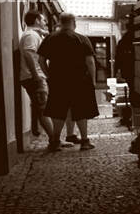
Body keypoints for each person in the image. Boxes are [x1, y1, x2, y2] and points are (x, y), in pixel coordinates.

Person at [39, 13, 99, 151]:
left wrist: (49, 75)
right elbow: (90, 61)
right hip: (80, 80)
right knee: (81, 110)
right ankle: (84, 141)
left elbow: (41, 60)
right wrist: (93, 80)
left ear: (60, 22)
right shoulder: (82, 39)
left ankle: (54, 142)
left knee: (58, 110)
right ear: (73, 22)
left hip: (58, 80)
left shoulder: (50, 38)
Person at [18, 10, 56, 143]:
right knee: (43, 109)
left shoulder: (34, 34)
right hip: (34, 77)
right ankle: (54, 140)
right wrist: (36, 75)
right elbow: (29, 53)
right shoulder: (31, 35)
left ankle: (54, 138)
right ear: (36, 21)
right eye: (43, 20)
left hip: (35, 76)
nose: (45, 23)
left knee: (43, 107)